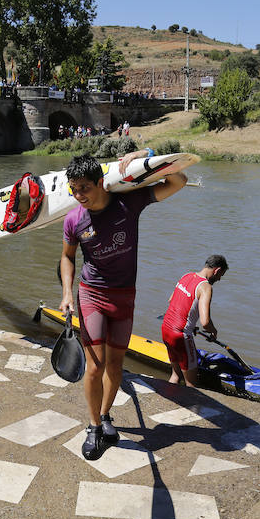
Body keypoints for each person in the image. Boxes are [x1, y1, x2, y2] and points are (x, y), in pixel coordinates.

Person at [59, 150, 186, 460]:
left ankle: (104, 417)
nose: (79, 196)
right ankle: (92, 427)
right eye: (73, 190)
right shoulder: (74, 220)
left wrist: (147, 157)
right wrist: (66, 292)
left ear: (102, 182)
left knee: (116, 366)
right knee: (95, 366)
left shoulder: (129, 203)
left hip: (125, 297)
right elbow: (67, 257)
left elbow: (179, 179)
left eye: (84, 188)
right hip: (92, 295)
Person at [161, 255, 227, 388]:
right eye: (221, 275)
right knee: (192, 384)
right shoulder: (205, 287)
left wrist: (191, 325)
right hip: (180, 336)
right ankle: (191, 408)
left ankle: (167, 401)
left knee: (176, 375)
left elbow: (171, 300)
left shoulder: (186, 275)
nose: (219, 279)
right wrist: (214, 331)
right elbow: (205, 322)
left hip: (165, 329)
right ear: (217, 270)